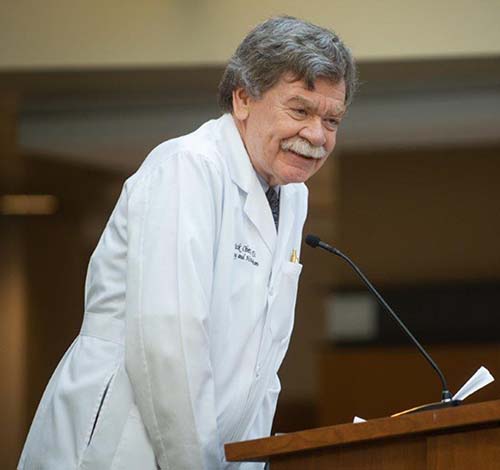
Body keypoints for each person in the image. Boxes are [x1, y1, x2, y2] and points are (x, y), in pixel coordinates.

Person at [18, 15, 356, 470]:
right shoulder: (187, 168)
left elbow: (263, 365)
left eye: (331, 119)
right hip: (122, 447)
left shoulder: (292, 196)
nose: (317, 135)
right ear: (243, 98)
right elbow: (170, 343)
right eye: (300, 110)